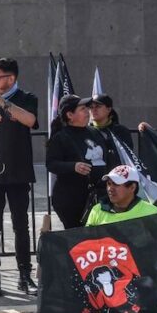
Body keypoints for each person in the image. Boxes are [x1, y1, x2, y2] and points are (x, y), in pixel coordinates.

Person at [0, 57, 39, 297]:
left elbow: (30, 120)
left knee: (21, 225)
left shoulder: (27, 98)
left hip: (19, 170)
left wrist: (2, 103)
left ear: (11, 78)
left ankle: (24, 275)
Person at [46, 94, 116, 229]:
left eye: (87, 108)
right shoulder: (61, 137)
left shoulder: (95, 132)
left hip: (98, 195)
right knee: (78, 235)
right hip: (71, 198)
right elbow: (51, 164)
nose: (88, 112)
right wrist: (73, 166)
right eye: (83, 109)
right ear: (70, 115)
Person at [84, 165, 157, 226]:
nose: (110, 188)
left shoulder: (151, 212)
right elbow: (88, 239)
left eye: (116, 184)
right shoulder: (97, 210)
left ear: (132, 187)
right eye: (109, 184)